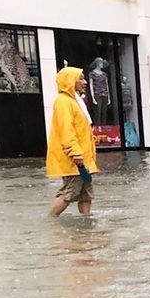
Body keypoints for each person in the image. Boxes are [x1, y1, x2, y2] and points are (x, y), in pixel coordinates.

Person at [45, 66, 99, 218]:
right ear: (69, 81)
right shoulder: (63, 102)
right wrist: (75, 153)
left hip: (84, 158)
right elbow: (66, 129)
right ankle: (51, 220)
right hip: (74, 158)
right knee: (70, 191)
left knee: (86, 193)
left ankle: (86, 221)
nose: (85, 82)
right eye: (80, 78)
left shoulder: (76, 101)